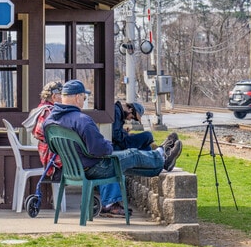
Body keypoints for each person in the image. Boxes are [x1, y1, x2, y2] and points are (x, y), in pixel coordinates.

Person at [43, 80, 182, 215]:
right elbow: (99, 150)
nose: (84, 100)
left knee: (128, 164)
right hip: (94, 169)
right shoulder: (82, 120)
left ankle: (161, 163)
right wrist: (108, 145)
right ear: (78, 97)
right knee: (132, 154)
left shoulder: (49, 122)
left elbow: (54, 149)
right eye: (84, 97)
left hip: (71, 170)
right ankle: (161, 154)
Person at [99, 100, 181, 215]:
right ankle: (161, 154)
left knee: (144, 147)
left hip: (112, 149)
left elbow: (114, 132)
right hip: (115, 148)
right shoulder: (116, 111)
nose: (130, 119)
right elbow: (115, 135)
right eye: (132, 117)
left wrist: (125, 133)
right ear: (131, 109)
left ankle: (161, 158)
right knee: (147, 137)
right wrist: (126, 135)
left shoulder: (116, 112)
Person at [22, 80, 63, 181]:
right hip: (52, 157)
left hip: (44, 151)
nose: (63, 98)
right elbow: (42, 133)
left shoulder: (40, 109)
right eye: (61, 95)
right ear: (54, 96)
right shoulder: (49, 112)